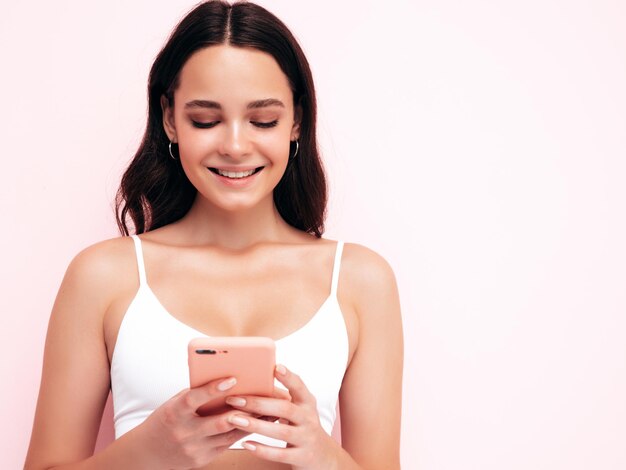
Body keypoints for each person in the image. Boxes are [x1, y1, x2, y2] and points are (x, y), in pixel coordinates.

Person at [24, 1, 403, 469]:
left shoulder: (360, 280)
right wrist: (146, 452)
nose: (236, 146)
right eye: (205, 120)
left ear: (297, 121)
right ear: (169, 119)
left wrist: (324, 455)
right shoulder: (103, 276)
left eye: (263, 120)